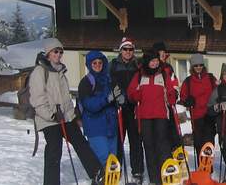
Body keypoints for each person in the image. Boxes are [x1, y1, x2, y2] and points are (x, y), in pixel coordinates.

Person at [28, 38, 103, 185]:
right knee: (54, 151)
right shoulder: (39, 71)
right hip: (49, 119)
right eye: (55, 51)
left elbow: (66, 98)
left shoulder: (60, 70)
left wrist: (72, 115)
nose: (58, 54)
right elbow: (37, 98)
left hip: (65, 117)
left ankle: (96, 173)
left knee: (80, 142)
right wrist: (51, 114)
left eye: (60, 52)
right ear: (48, 53)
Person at [128, 50, 179, 185]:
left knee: (162, 146)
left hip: (161, 115)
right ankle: (154, 179)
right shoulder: (139, 75)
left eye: (156, 60)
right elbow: (131, 93)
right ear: (147, 62)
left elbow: (170, 91)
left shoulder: (163, 73)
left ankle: (165, 176)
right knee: (149, 147)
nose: (155, 63)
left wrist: (172, 95)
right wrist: (135, 95)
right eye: (152, 61)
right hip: (144, 116)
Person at [108, 37, 144, 183]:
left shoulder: (137, 65)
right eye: (125, 49)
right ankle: (116, 168)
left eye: (130, 49)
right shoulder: (113, 65)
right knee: (118, 140)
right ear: (121, 50)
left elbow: (141, 84)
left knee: (136, 140)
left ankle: (137, 171)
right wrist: (118, 96)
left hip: (134, 106)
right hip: (120, 107)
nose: (128, 52)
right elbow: (111, 83)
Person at [78, 50, 121, 167]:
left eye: (100, 63)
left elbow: (117, 94)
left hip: (111, 125)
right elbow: (89, 105)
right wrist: (107, 99)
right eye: (94, 63)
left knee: (112, 160)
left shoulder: (109, 79)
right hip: (95, 126)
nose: (97, 65)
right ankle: (100, 180)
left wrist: (120, 99)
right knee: (102, 158)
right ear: (89, 65)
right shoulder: (86, 82)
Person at [179, 53, 217, 153]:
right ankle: (201, 166)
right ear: (192, 66)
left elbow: (219, 92)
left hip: (209, 114)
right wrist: (187, 101)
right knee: (199, 143)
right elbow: (182, 96)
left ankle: (209, 167)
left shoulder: (210, 78)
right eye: (196, 65)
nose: (198, 67)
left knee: (208, 144)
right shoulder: (188, 81)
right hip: (196, 116)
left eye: (200, 65)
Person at [152, 41, 181, 152]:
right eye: (160, 52)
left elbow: (174, 82)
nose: (162, 54)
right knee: (161, 134)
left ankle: (176, 154)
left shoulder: (168, 67)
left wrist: (175, 93)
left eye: (164, 52)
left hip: (169, 105)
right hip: (157, 106)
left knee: (173, 132)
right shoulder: (152, 67)